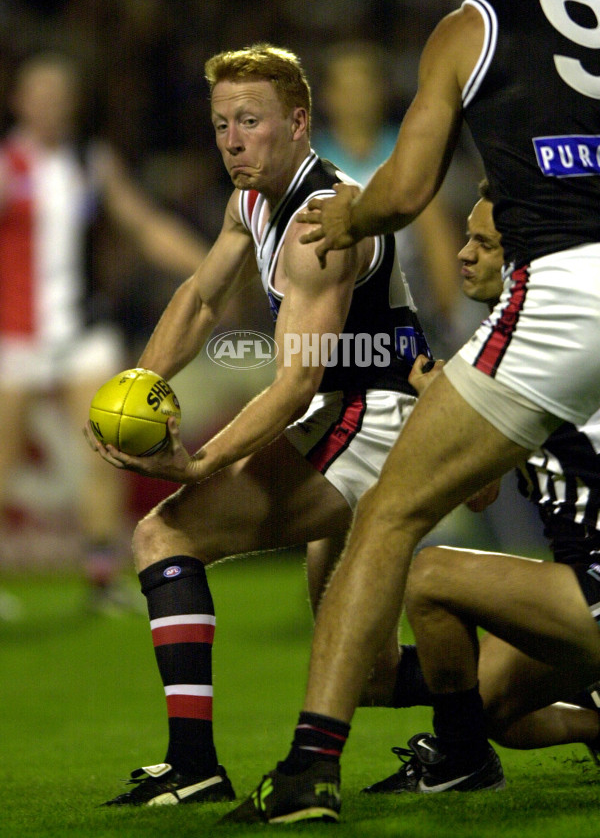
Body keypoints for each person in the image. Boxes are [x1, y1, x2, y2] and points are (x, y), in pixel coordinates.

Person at [220, 0, 600, 823]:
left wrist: (352, 216)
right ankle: (472, 740)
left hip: (559, 291)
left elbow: (404, 191)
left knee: (391, 521)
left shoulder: (477, 22)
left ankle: (310, 766)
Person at [84, 42, 432, 806]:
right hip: (347, 417)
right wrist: (135, 388)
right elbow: (202, 299)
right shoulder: (250, 201)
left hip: (376, 419)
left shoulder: (319, 222)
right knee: (366, 672)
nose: (233, 140)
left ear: (300, 123)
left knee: (164, 532)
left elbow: (296, 379)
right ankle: (498, 715)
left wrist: (202, 462)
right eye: (220, 124)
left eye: (251, 121)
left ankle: (194, 763)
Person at [361, 184, 600, 793]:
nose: (463, 254)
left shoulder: (547, 345)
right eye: (466, 238)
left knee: (432, 575)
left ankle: (460, 762)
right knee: (491, 707)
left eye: (483, 243)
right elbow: (479, 489)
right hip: (584, 580)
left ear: (522, 261)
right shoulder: (522, 343)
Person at [0, 52, 206, 615]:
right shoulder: (7, 164)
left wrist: (212, 266)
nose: (49, 104)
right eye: (38, 93)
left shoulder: (90, 161)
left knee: (106, 450)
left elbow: (142, 225)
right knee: (2, 462)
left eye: (58, 93)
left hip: (81, 329)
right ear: (19, 101)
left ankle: (100, 581)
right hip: (14, 335)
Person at [312, 41, 462, 355]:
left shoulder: (406, 153)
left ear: (382, 90)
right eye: (346, 87)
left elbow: (437, 239)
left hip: (406, 311)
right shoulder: (311, 162)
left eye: (364, 85)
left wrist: (450, 313)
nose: (356, 98)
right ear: (327, 96)